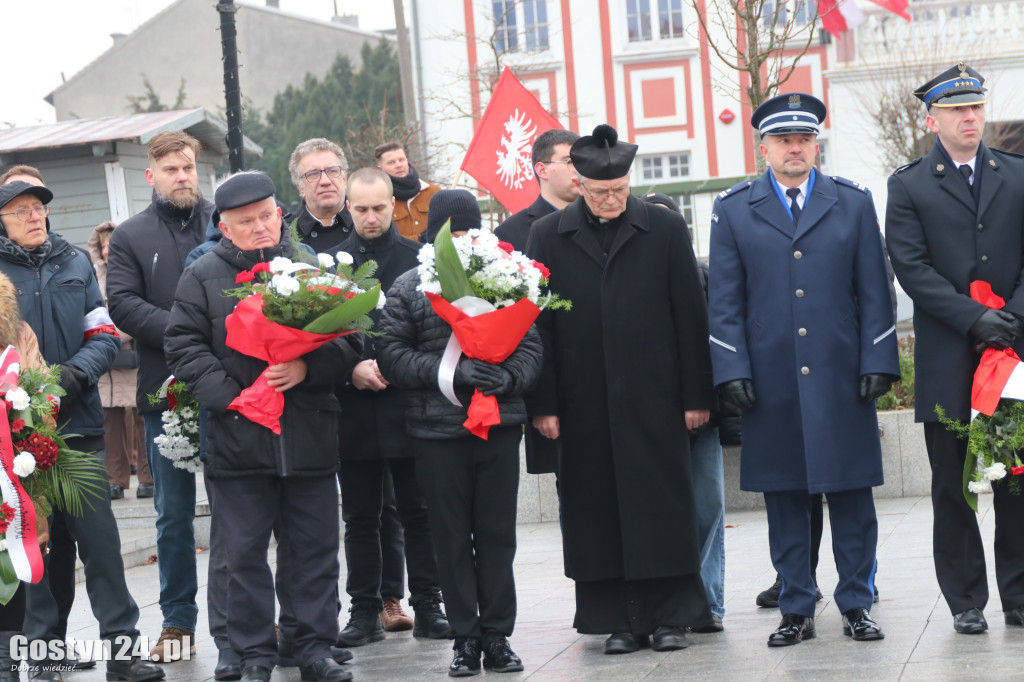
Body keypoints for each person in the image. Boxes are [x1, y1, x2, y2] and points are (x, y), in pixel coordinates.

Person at [709, 93, 899, 647]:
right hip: (770, 383)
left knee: (852, 501)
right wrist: (731, 367)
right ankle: (795, 606)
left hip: (843, 378)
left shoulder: (854, 202)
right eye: (785, 140)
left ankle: (858, 604)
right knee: (785, 500)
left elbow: (875, 290)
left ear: (817, 144)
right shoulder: (734, 208)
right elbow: (725, 299)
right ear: (763, 147)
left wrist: (879, 359)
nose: (796, 149)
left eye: (806, 139)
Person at [526, 125, 715, 655]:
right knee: (596, 510)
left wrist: (697, 396)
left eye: (620, 191)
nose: (611, 201)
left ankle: (673, 617)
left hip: (655, 396)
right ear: (579, 185)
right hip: (581, 401)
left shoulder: (664, 226)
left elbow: (689, 315)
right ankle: (618, 620)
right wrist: (543, 404)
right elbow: (538, 326)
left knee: (664, 507)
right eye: (599, 192)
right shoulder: (548, 235)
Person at [165, 171, 359, 682]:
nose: (259, 228)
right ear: (225, 227)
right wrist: (233, 398)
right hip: (238, 440)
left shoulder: (312, 268)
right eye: (245, 222)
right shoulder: (202, 275)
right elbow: (183, 345)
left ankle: (314, 648)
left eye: (266, 217)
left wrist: (306, 369)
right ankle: (253, 654)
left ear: (281, 214)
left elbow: (351, 340)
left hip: (308, 435)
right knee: (243, 557)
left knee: (315, 549)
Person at [0, 181, 164, 682]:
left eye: (39, 208)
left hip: (79, 428)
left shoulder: (74, 262)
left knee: (102, 546)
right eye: (21, 210)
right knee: (35, 547)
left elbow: (104, 334)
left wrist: (70, 376)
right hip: (17, 438)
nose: (35, 216)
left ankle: (123, 650)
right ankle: (43, 655)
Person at [378, 188, 540, 676]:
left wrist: (506, 378)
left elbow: (531, 347)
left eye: (471, 229)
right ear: (434, 234)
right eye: (454, 231)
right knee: (450, 536)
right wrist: (448, 373)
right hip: (436, 432)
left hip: (498, 426)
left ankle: (498, 636)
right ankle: (465, 639)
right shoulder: (410, 287)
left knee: (496, 534)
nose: (464, 239)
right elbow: (392, 354)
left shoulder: (507, 279)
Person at [885, 63, 1024, 634]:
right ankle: (965, 600)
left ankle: (1018, 596)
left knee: (1015, 478)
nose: (970, 118)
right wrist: (976, 320)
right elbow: (911, 268)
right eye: (956, 110)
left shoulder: (1017, 175)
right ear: (932, 118)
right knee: (953, 485)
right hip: (949, 360)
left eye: (975, 107)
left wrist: (1009, 318)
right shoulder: (909, 184)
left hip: (1012, 356)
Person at [106, 130, 215, 663]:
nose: (182, 177)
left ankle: (249, 614)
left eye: (188, 167)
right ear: (151, 176)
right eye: (171, 169)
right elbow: (122, 303)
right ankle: (177, 623)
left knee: (239, 508)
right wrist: (186, 329)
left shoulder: (225, 223)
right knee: (172, 514)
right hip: (164, 395)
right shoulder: (130, 235)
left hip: (225, 388)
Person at [333, 169, 451, 647]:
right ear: (348, 206)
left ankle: (429, 604)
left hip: (409, 405)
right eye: (360, 209)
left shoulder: (418, 260)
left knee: (418, 511)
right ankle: (363, 611)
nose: (371, 217)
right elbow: (317, 337)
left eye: (379, 207)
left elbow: (434, 334)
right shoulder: (330, 263)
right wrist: (350, 368)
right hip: (353, 409)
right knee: (360, 516)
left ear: (392, 203)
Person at [641, 192, 727, 632]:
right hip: (650, 419)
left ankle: (709, 601)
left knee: (708, 508)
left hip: (700, 418)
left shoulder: (705, 277)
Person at [494, 128, 579, 488]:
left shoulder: (603, 218)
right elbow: (516, 323)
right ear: (542, 170)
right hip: (552, 382)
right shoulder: (512, 233)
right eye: (570, 161)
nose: (581, 169)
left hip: (603, 378)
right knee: (573, 494)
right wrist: (542, 402)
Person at [86, 221, 153, 500]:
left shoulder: (134, 272)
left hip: (131, 358)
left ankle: (149, 478)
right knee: (110, 424)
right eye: (103, 247)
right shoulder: (94, 277)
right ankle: (115, 479)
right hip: (106, 365)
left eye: (112, 246)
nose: (106, 252)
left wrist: (111, 333)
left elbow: (135, 312)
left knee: (141, 419)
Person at [290, 138, 354, 253]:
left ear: (345, 179)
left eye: (332, 171)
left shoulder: (368, 224)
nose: (325, 181)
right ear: (300, 188)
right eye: (313, 174)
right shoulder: (286, 235)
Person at [374, 142, 440, 241]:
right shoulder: (377, 200)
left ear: (407, 161)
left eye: (401, 160)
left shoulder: (434, 192)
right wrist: (420, 240)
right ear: (380, 169)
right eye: (391, 162)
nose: (399, 165)